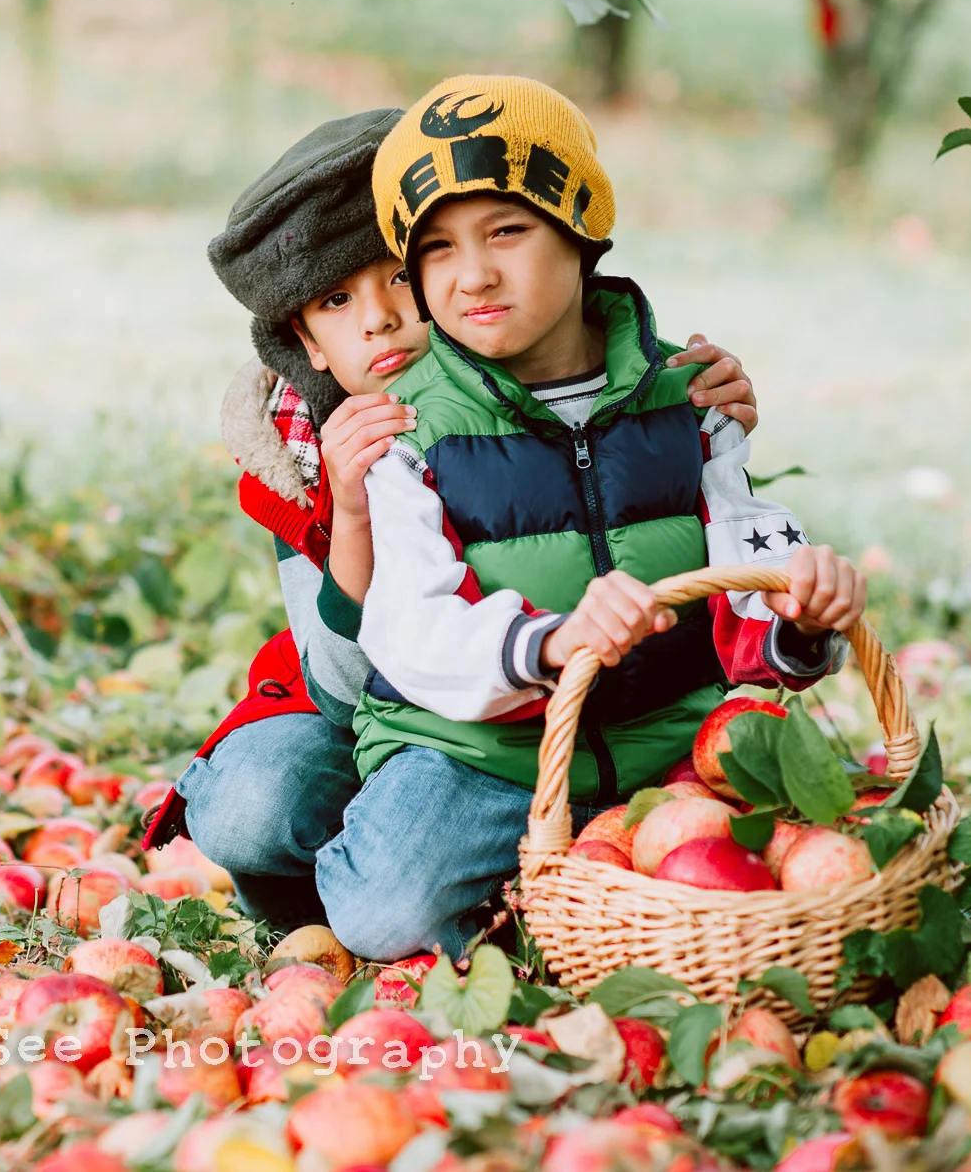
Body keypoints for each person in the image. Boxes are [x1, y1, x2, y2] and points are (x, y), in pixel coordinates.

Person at [145, 107, 764, 935]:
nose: (381, 320)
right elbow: (338, 687)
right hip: (364, 700)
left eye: (399, 276)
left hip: (540, 699)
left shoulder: (515, 360)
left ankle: (492, 860)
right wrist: (353, 512)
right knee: (260, 804)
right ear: (307, 341)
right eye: (336, 299)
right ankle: (367, 872)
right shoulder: (293, 445)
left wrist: (699, 398)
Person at [310, 74, 868, 962]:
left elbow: (746, 544)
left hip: (669, 740)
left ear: (580, 235)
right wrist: (549, 642)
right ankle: (538, 875)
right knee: (385, 906)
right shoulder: (413, 428)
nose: (475, 274)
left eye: (507, 230)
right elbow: (409, 623)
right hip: (483, 756)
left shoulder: (687, 397)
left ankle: (584, 885)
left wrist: (798, 616)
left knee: (822, 841)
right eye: (440, 250)